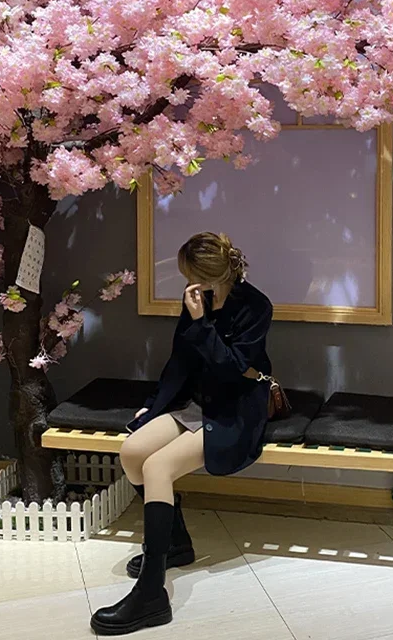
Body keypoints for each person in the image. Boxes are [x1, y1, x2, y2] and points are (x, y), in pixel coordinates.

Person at [90, 232, 274, 636]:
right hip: (195, 402)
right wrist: (155, 405)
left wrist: (201, 322)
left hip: (235, 409)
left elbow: (230, 368)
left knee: (157, 468)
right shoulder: (198, 298)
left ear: (212, 272)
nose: (186, 281)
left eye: (191, 273)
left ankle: (152, 593)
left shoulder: (256, 306)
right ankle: (175, 543)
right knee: (133, 451)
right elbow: (180, 361)